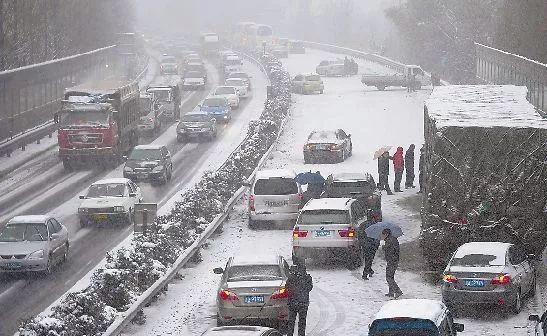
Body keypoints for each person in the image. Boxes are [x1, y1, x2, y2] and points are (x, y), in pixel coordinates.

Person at [286, 262, 313, 336]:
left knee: (291, 321)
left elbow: (287, 287)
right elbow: (309, 288)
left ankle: (290, 334)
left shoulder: (291, 277)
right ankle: (301, 334)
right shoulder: (307, 278)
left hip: (293, 302)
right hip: (303, 303)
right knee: (302, 321)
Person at [382, 228, 402, 298]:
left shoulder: (390, 240)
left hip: (392, 261)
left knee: (389, 277)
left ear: (386, 234)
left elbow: (391, 250)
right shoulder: (391, 239)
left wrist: (384, 247)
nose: (382, 236)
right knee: (390, 277)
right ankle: (391, 292)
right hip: (393, 260)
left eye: (383, 234)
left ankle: (397, 291)